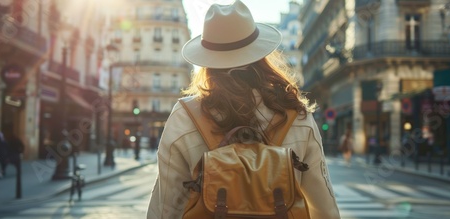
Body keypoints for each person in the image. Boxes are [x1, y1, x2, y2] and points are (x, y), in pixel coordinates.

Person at [146, 1, 340, 218]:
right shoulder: (295, 115)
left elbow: (166, 206)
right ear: (259, 54)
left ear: (207, 59)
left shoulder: (185, 116)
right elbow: (323, 206)